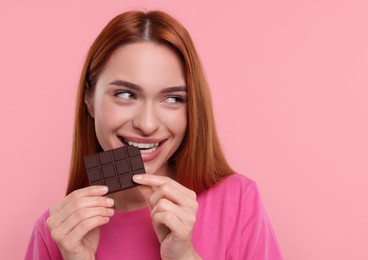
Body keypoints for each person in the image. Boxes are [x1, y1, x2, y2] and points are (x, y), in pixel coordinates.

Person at [25, 10, 283, 260]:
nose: (147, 125)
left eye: (172, 98)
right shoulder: (56, 232)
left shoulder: (236, 201)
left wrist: (184, 256)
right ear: (89, 99)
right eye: (126, 95)